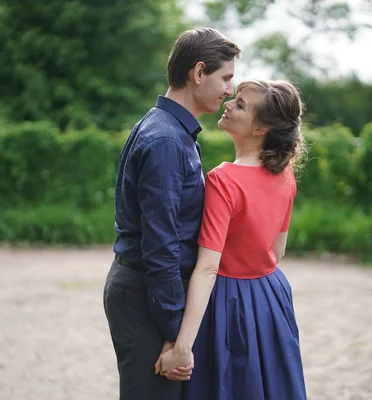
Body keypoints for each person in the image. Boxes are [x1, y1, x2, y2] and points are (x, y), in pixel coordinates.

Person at [102, 27, 240, 400]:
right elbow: (161, 244)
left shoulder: (171, 130)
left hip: (148, 294)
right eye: (225, 77)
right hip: (147, 297)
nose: (229, 89)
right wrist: (175, 331)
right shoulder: (165, 140)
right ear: (198, 73)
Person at [155, 79, 308, 400]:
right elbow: (277, 251)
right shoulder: (285, 175)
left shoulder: (224, 180)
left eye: (240, 105)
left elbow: (208, 268)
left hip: (226, 301)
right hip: (270, 296)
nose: (228, 104)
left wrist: (181, 348)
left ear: (260, 129)